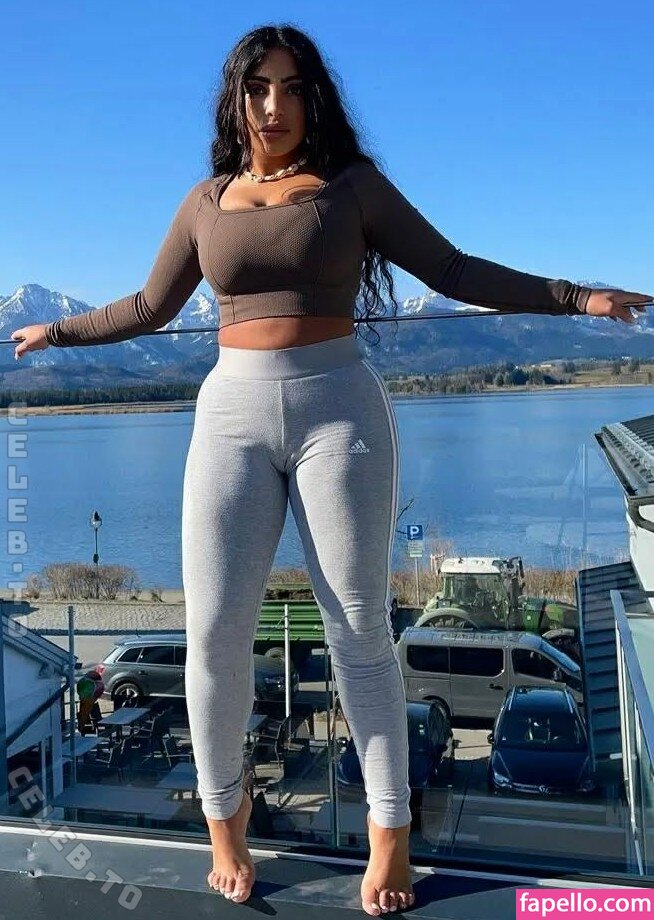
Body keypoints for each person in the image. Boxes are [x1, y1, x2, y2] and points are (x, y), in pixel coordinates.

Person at [11, 24, 652, 916]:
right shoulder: (206, 201)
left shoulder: (352, 187)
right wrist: (58, 331)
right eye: (257, 88)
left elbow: (453, 267)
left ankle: (390, 832)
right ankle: (225, 818)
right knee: (214, 633)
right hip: (229, 413)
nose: (273, 106)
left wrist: (576, 296)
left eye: (290, 87)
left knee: (357, 629)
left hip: (339, 408)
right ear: (236, 100)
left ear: (313, 99)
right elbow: (151, 305)